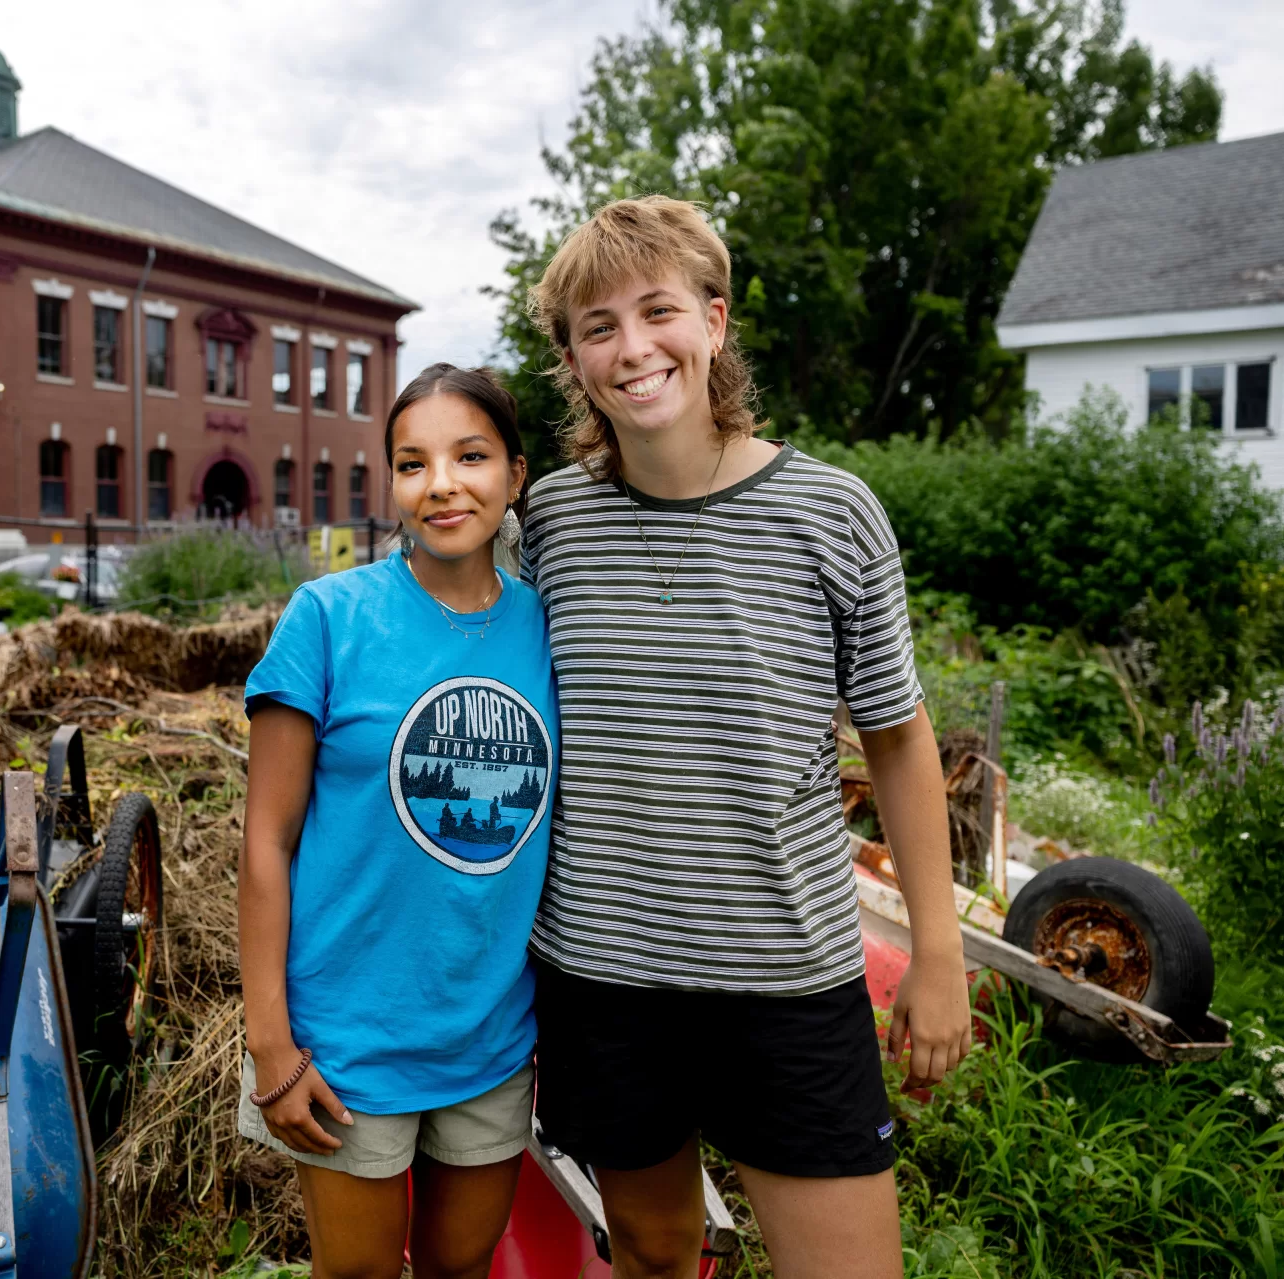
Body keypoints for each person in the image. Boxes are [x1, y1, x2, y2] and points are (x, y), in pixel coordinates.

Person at [519, 196, 971, 1279]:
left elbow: (900, 740)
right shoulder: (548, 525)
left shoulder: (832, 513)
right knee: (657, 1252)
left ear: (713, 323)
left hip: (786, 980)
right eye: (595, 326)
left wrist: (935, 949)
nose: (631, 348)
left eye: (656, 310)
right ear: (572, 360)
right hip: (601, 978)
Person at [239, 364, 558, 1279]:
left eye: (470, 456)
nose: (442, 484)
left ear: (515, 475)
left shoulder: (549, 629)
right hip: (347, 1042)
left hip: (490, 1036)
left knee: (462, 1265)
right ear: (390, 483)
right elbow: (267, 840)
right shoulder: (329, 618)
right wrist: (273, 1043)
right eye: (412, 463)